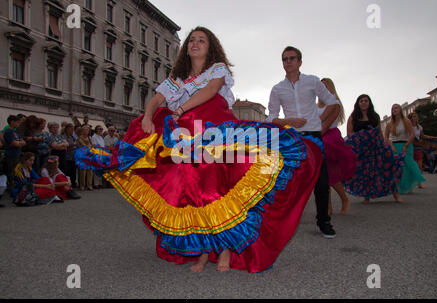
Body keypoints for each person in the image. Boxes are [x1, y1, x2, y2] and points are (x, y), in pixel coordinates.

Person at [75, 26, 325, 273]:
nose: (195, 43)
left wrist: (182, 109)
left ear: (210, 46)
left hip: (215, 133)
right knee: (193, 191)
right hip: (184, 137)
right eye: (192, 40)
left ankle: (225, 249)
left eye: (201, 40)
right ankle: (203, 251)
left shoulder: (217, 69)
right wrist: (148, 117)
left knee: (218, 189)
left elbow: (210, 90)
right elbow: (156, 99)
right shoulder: (177, 78)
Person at [267, 46, 340, 238]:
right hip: (292, 139)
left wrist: (322, 126)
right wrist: (288, 121)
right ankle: (282, 223)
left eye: (292, 58)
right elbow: (271, 117)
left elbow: (334, 103)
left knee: (321, 182)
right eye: (285, 59)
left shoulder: (313, 81)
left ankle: (324, 221)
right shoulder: (277, 89)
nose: (288, 61)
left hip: (314, 137)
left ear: (300, 61)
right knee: (288, 182)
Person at [344, 95, 405, 203]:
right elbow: (349, 133)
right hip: (362, 149)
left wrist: (386, 145)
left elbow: (380, 133)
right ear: (358, 103)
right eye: (361, 101)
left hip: (376, 147)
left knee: (386, 168)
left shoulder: (375, 116)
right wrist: (362, 136)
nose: (363, 103)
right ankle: (366, 196)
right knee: (365, 172)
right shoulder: (353, 116)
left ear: (369, 103)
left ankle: (396, 195)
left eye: (366, 101)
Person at [317, 78, 356, 214]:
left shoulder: (334, 103)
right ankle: (329, 205)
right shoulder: (315, 106)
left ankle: (343, 199)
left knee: (328, 173)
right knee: (323, 174)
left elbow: (326, 124)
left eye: (325, 86)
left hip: (330, 138)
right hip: (319, 138)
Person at [385, 104, 425, 194]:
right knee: (398, 167)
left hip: (406, 145)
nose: (394, 110)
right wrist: (391, 146)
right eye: (392, 108)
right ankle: (399, 187)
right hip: (395, 146)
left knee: (408, 165)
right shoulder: (390, 123)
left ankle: (410, 185)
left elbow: (412, 134)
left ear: (400, 109)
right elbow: (386, 137)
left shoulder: (406, 121)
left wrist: (407, 145)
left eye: (396, 108)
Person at [4, 115, 27, 193]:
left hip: (17, 154)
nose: (19, 124)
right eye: (17, 122)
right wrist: (19, 143)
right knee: (10, 172)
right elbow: (14, 143)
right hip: (10, 155)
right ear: (12, 122)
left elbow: (23, 142)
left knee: (16, 171)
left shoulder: (16, 131)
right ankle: (10, 188)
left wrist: (19, 143)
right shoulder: (8, 131)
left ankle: (14, 186)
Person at [76, 125, 94, 191]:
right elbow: (79, 147)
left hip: (89, 156)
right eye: (84, 130)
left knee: (90, 171)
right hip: (82, 155)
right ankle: (82, 185)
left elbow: (91, 146)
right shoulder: (79, 138)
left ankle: (89, 185)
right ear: (82, 131)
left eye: (87, 130)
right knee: (83, 171)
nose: (86, 131)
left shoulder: (89, 138)